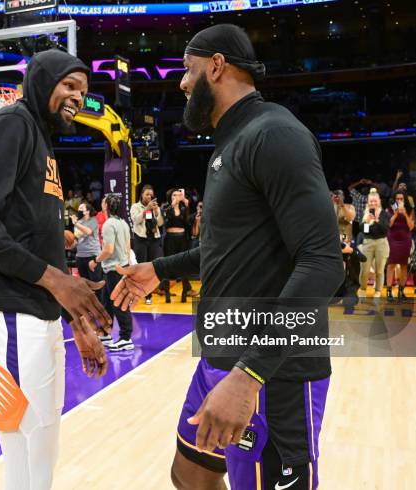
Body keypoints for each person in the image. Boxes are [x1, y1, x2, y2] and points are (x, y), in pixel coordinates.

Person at [111, 24, 343, 490]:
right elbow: (227, 249)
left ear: (216, 66)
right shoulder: (230, 144)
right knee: (191, 473)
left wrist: (250, 375)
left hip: (273, 372)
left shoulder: (275, 134)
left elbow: (323, 262)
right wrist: (160, 268)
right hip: (222, 353)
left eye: (186, 70)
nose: (180, 83)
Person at [0, 49, 111, 490]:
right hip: (7, 317)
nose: (79, 97)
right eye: (70, 86)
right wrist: (58, 282)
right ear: (42, 81)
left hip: (32, 315)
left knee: (39, 456)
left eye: (84, 90)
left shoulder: (41, 138)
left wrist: (75, 318)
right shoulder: (12, 124)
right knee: (29, 456)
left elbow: (36, 242)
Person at [89, 193, 133, 351]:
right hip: (120, 267)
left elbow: (108, 249)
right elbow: (127, 248)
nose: (101, 202)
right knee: (107, 302)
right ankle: (106, 333)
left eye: (103, 201)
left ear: (106, 205)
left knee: (119, 303)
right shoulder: (124, 223)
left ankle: (125, 338)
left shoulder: (108, 224)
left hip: (114, 269)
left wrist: (95, 261)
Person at [162, 188, 198, 303]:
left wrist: (187, 206)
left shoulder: (183, 209)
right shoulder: (166, 208)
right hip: (170, 239)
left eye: (178, 195)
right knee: (168, 265)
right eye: (174, 195)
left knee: (183, 265)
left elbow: (187, 223)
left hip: (182, 239)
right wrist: (172, 206)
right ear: (170, 197)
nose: (176, 197)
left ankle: (184, 293)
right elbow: (166, 222)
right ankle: (167, 294)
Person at [130, 184, 164, 305]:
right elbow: (136, 220)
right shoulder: (135, 206)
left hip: (154, 239)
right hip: (141, 239)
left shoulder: (155, 206)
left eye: (151, 195)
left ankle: (148, 294)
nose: (149, 197)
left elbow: (160, 224)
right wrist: (146, 209)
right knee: (140, 267)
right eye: (147, 194)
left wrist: (156, 211)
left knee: (151, 267)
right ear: (142, 195)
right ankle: (135, 293)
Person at [357, 189, 390, 298]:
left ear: (379, 201)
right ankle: (362, 288)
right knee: (364, 269)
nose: (373, 203)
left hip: (381, 243)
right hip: (368, 242)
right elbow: (364, 231)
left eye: (375, 201)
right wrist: (366, 221)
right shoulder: (365, 213)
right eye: (371, 201)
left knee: (379, 270)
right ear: (368, 202)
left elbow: (385, 230)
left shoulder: (384, 214)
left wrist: (376, 220)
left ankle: (378, 291)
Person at [386, 191, 415, 302]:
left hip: (405, 239)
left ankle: (401, 291)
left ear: (405, 200)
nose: (399, 201)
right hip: (393, 239)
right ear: (395, 199)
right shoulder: (390, 209)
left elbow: (411, 227)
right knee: (391, 264)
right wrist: (397, 213)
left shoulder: (410, 210)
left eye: (401, 199)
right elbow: (389, 224)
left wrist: (405, 214)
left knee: (404, 265)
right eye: (397, 199)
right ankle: (389, 290)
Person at [71, 201, 103, 301]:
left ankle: (99, 305)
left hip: (92, 255)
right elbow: (77, 238)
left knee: (96, 282)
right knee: (84, 283)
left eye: (82, 209)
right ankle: (89, 305)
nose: (79, 211)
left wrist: (75, 223)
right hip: (80, 256)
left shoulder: (93, 220)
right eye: (79, 209)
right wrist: (70, 244)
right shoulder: (78, 222)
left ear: (88, 211)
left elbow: (88, 231)